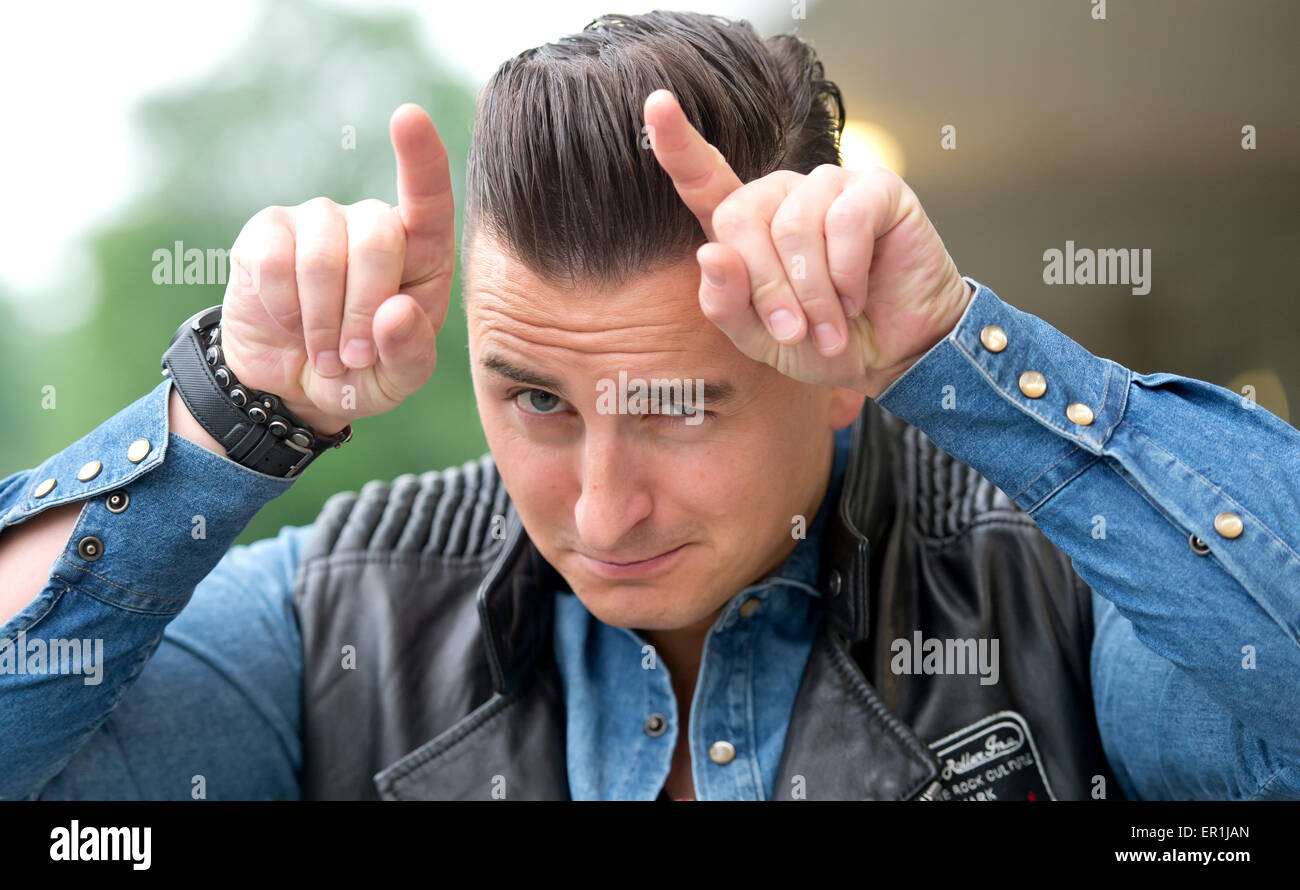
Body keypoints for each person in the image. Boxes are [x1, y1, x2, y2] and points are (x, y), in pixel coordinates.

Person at [1, 10, 1296, 801]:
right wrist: (219, 420)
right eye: (537, 402)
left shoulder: (1058, 600)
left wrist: (962, 346)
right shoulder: (341, 619)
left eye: (681, 409)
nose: (602, 504)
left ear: (842, 364)